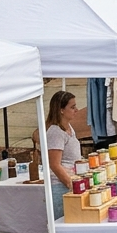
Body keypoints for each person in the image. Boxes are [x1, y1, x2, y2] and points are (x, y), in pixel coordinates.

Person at [42, 90, 82, 220]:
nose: (76, 110)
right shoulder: (56, 132)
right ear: (61, 110)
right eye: (72, 107)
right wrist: (70, 184)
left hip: (70, 182)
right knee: (62, 222)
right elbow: (54, 164)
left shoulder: (68, 128)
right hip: (60, 187)